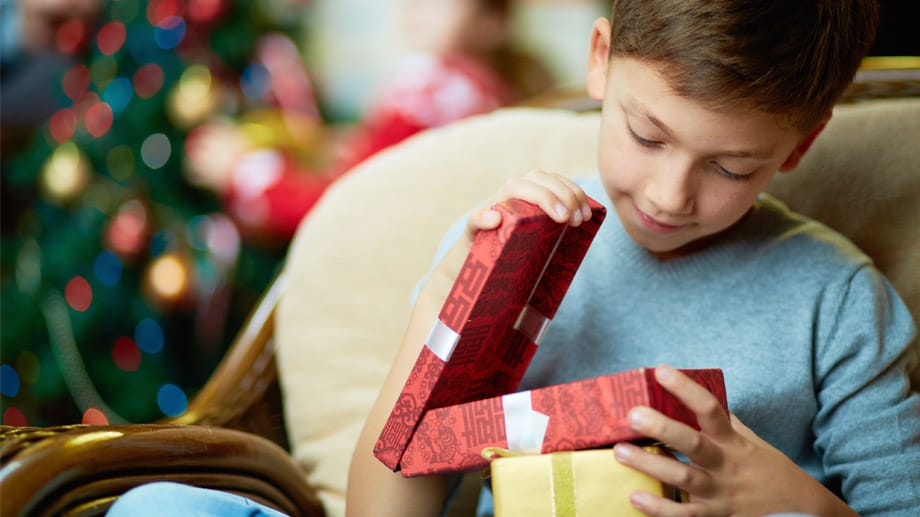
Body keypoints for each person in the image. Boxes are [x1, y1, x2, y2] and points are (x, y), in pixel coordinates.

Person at [346, 1, 920, 517]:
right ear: (600, 60)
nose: (668, 197)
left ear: (799, 145)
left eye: (731, 168)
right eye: (647, 136)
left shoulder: (837, 300)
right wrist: (444, 311)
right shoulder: (506, 252)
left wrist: (791, 499)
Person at [184, 0, 553, 242]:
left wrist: (240, 170)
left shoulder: (429, 87)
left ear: (492, 22)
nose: (416, 7)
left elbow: (338, 208)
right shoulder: (490, 93)